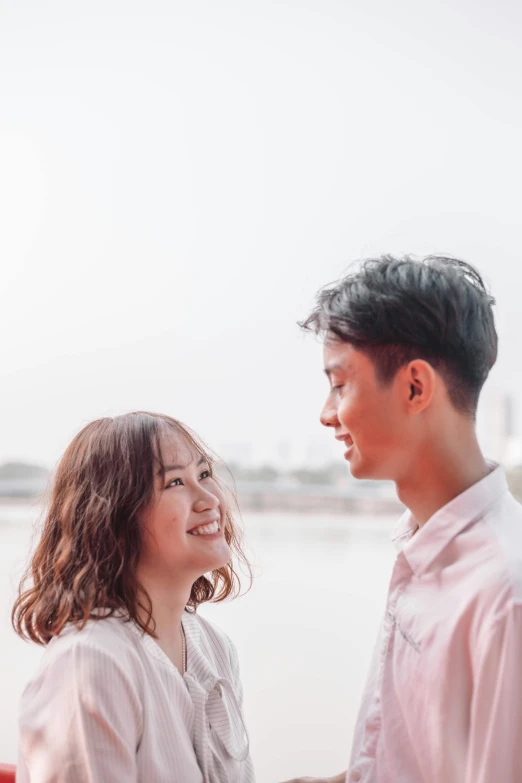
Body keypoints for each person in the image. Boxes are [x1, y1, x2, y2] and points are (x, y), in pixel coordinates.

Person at [282, 255, 522, 783]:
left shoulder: (504, 596)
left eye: (340, 384)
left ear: (415, 387)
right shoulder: (423, 545)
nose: (327, 413)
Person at [13, 411, 255, 783]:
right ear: (113, 517)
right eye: (175, 482)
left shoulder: (214, 647)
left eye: (204, 474)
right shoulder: (91, 662)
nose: (210, 500)